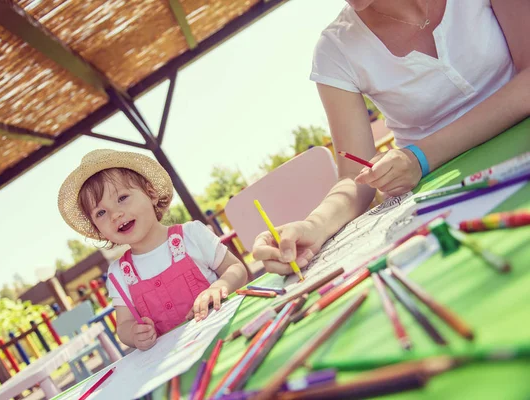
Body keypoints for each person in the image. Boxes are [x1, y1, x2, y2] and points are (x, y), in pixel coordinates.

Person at [253, 0, 530, 275]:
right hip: (445, 202)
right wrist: (315, 225)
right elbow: (355, 177)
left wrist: (419, 156)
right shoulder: (335, 49)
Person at [58, 150, 248, 350]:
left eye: (122, 198)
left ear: (151, 194)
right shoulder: (119, 274)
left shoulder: (192, 235)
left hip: (228, 338)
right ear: (99, 230)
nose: (115, 214)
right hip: (174, 361)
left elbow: (237, 269)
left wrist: (220, 286)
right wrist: (133, 333)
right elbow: (123, 326)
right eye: (101, 213)